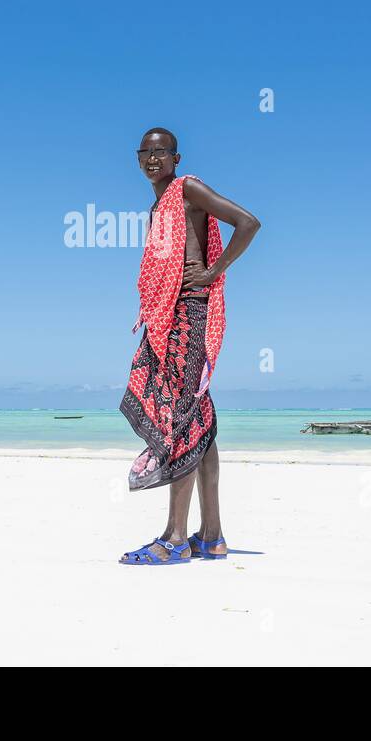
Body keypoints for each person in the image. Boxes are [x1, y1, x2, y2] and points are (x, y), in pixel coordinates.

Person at [118, 127, 260, 565]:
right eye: (146, 153)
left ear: (176, 159)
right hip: (168, 318)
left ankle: (176, 538)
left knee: (179, 419)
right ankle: (212, 535)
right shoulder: (158, 205)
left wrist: (215, 269)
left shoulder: (188, 189)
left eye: (161, 153)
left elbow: (248, 222)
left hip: (188, 315)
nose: (152, 159)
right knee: (200, 422)